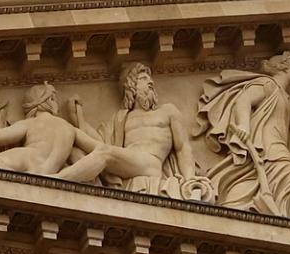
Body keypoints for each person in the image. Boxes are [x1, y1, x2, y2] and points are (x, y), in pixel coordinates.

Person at [65, 63, 197, 195]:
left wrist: (189, 180)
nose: (150, 82)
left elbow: (182, 148)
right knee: (73, 137)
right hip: (127, 164)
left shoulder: (168, 111)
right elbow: (100, 142)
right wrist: (77, 116)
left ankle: (58, 179)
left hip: (151, 163)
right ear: (131, 86)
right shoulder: (122, 117)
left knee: (105, 152)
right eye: (143, 78)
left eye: (150, 79)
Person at [200, 53, 290, 216]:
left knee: (287, 181)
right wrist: (244, 127)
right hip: (266, 146)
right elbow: (244, 100)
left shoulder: (289, 99)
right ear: (283, 68)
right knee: (288, 176)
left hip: (278, 147)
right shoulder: (268, 84)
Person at [0, 83, 96, 178]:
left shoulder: (31, 123)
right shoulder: (70, 129)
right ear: (46, 101)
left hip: (26, 158)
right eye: (53, 98)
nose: (55, 102)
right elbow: (100, 149)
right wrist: (78, 117)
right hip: (45, 171)